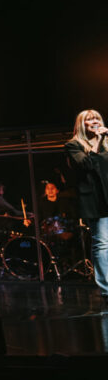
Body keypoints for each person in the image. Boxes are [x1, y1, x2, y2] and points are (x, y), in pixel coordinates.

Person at [64, 109, 108, 307]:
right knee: (102, 243)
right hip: (95, 201)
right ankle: (107, 289)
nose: (94, 121)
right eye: (89, 119)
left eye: (96, 118)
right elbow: (87, 165)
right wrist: (98, 141)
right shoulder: (73, 145)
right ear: (82, 124)